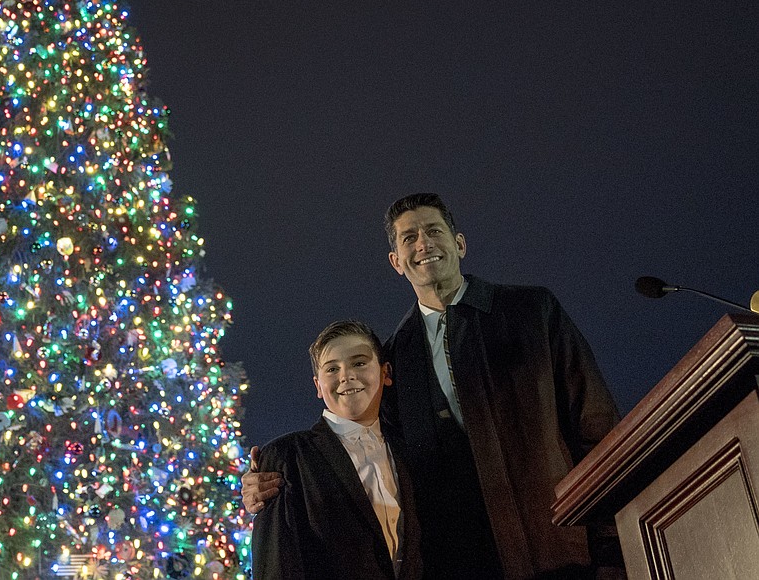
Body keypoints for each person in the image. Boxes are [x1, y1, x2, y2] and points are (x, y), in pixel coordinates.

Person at [243, 193, 624, 579]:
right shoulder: (397, 355)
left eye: (433, 231)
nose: (422, 243)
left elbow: (598, 426)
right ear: (396, 262)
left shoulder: (531, 313)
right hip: (463, 563)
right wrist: (276, 478)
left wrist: (614, 543)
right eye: (408, 238)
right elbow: (365, 436)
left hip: (563, 550)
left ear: (459, 243)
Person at [251, 320, 423, 580]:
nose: (346, 375)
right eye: (332, 369)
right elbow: (276, 567)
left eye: (359, 363)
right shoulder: (287, 457)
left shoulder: (410, 452)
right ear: (318, 386)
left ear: (386, 373)